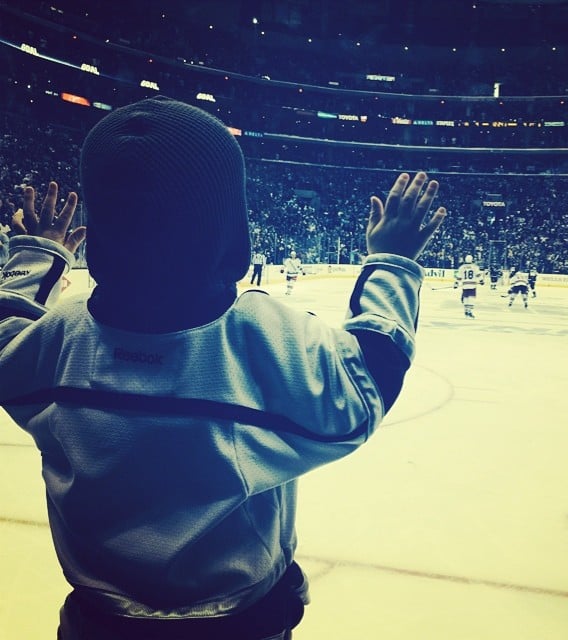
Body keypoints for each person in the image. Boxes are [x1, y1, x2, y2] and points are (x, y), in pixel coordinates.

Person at [0, 96, 446, 640]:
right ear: (230, 225)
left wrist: (37, 254)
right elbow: (366, 382)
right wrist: (393, 261)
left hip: (95, 626)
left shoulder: (59, 343)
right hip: (240, 626)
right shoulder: (263, 338)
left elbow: (6, 337)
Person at [454, 254, 484, 318]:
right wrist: (481, 281)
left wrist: (456, 283)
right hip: (472, 285)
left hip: (465, 285)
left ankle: (466, 311)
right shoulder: (475, 267)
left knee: (466, 297)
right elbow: (478, 275)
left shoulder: (462, 267)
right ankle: (469, 311)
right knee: (471, 298)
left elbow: (459, 277)